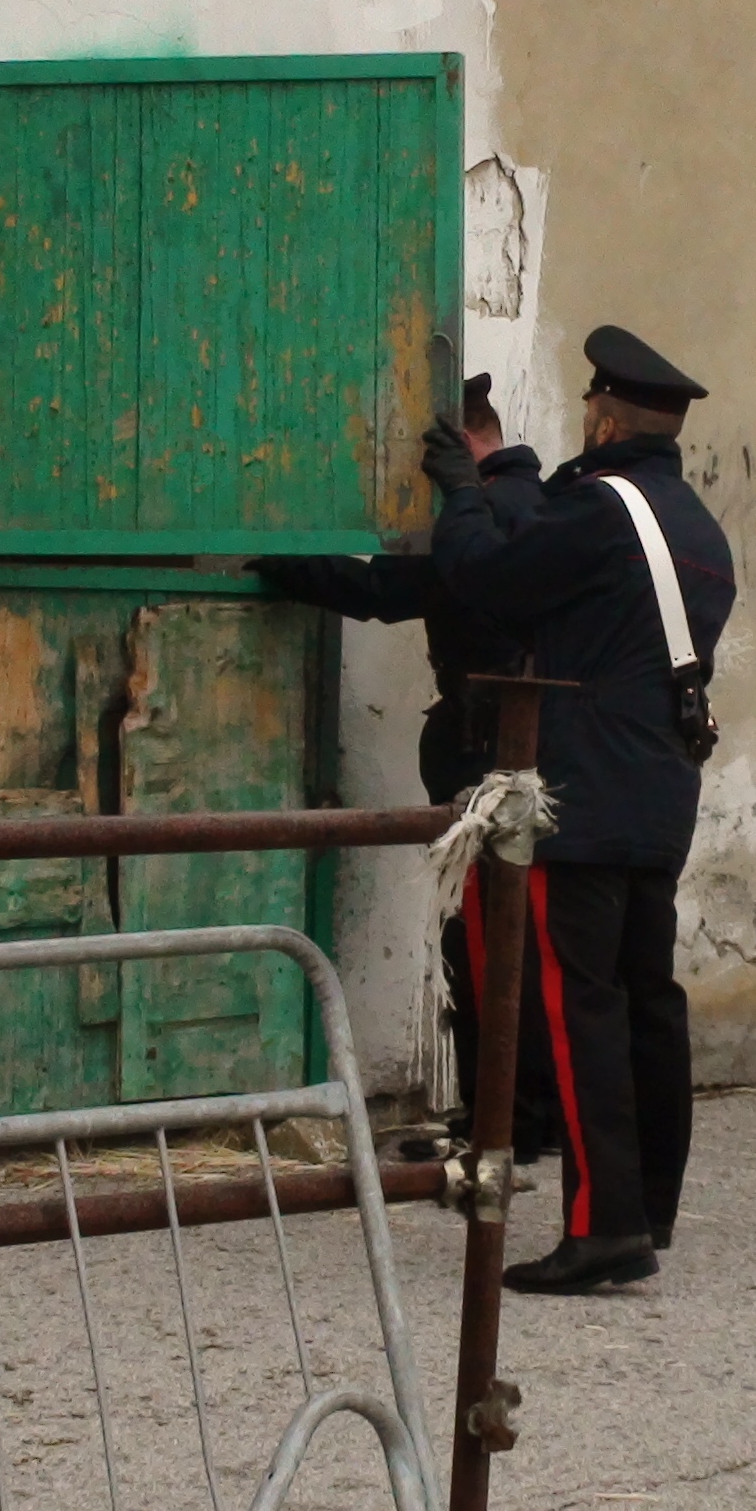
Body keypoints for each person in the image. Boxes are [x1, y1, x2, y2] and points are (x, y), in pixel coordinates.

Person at [425, 326, 734, 1292]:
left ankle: (604, 1228)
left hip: (583, 789)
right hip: (655, 788)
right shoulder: (694, 525)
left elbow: (487, 580)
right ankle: (650, 1205)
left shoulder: (601, 507)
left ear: (601, 419)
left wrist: (464, 494)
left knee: (577, 1006)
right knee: (647, 1001)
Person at [249, 376, 548, 1139]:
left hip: (491, 750)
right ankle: (515, 1109)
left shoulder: (493, 513)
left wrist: (272, 554)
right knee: (506, 928)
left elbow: (388, 586)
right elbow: (395, 586)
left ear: (464, 445)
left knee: (486, 930)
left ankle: (503, 1115)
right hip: (502, 743)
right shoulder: (526, 505)